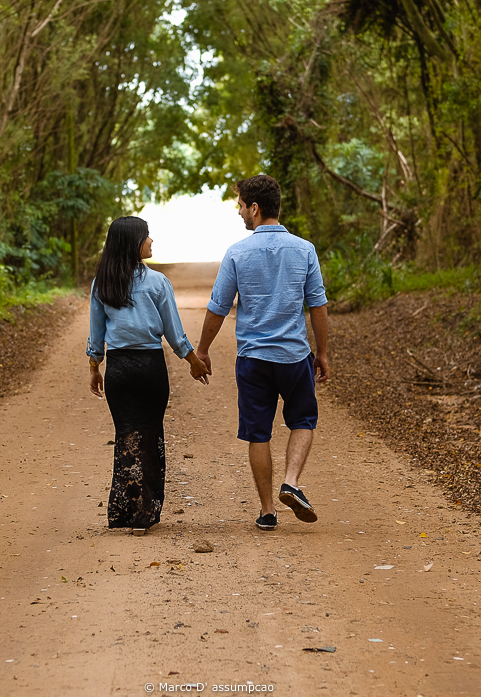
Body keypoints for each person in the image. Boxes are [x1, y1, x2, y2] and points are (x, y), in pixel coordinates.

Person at [195, 175, 329, 531]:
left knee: (259, 433)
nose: (239, 213)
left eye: (240, 205)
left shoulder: (237, 252)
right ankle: (292, 481)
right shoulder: (304, 249)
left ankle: (268, 510)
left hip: (253, 359)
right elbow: (318, 306)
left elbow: (218, 306)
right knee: (302, 421)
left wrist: (202, 350)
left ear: (255, 209)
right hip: (293, 356)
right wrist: (323, 352)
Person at [87, 216, 209, 536]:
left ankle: (124, 511)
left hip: (118, 370)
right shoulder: (157, 282)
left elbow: (96, 334)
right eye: (147, 237)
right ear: (132, 243)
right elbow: (174, 332)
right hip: (150, 367)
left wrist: (94, 369)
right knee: (151, 435)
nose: (151, 241)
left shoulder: (102, 283)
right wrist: (193, 361)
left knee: (127, 437)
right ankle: (144, 514)